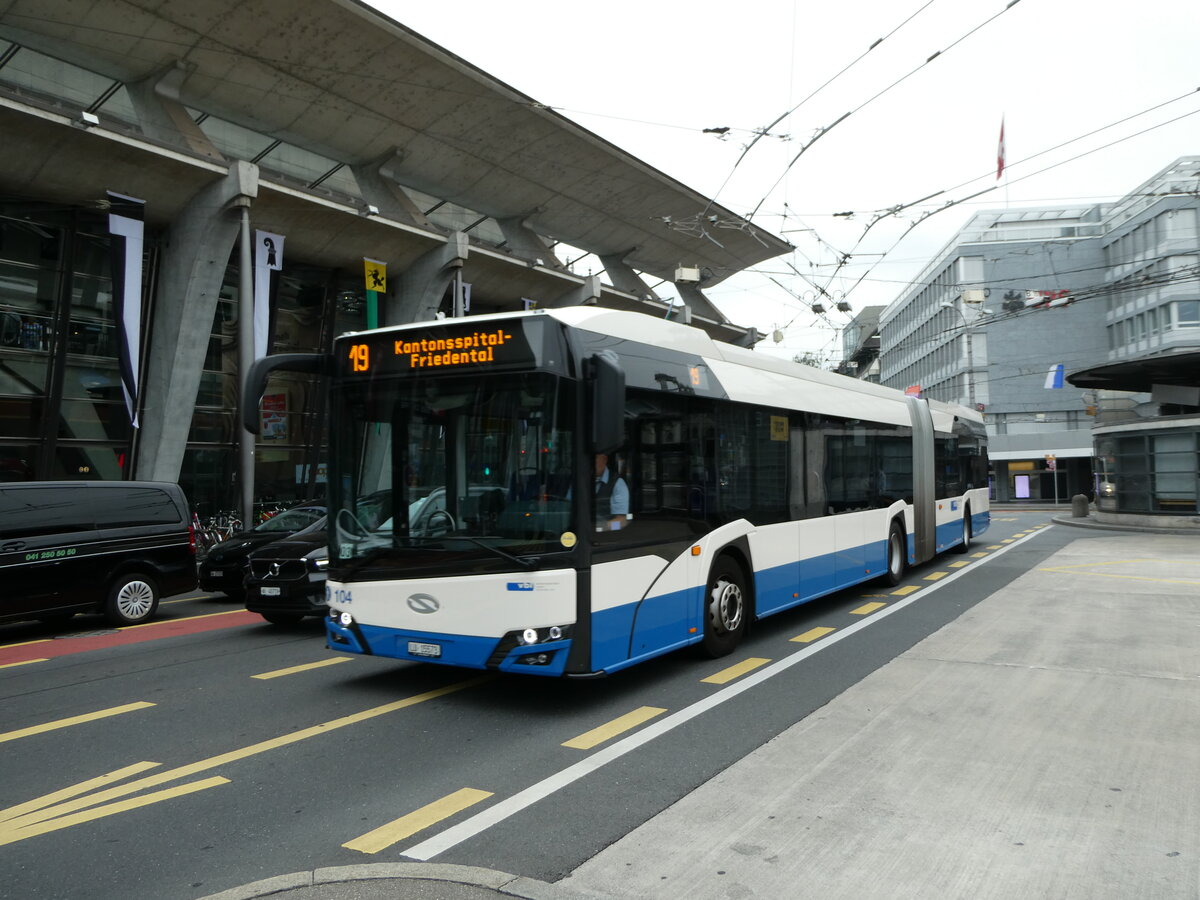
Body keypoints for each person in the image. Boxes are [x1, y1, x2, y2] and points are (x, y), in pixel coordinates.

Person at [594, 452, 629, 531]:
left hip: (605, 536)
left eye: (594, 457)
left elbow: (622, 522)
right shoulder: (578, 481)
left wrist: (602, 528)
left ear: (604, 459)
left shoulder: (617, 483)